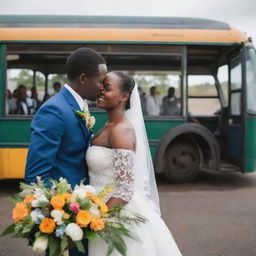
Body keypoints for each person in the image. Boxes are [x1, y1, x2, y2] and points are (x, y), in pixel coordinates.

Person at [87, 71, 182, 256]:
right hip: (101, 207)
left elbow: (124, 190)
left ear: (124, 96)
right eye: (101, 86)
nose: (100, 91)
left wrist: (96, 218)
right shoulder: (109, 126)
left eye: (106, 88)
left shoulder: (121, 130)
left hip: (112, 215)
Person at [25, 47, 107, 256]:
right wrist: (55, 221)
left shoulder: (79, 106)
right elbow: (37, 174)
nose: (103, 87)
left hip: (82, 215)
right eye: (100, 81)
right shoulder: (54, 110)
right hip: (66, 223)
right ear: (83, 78)